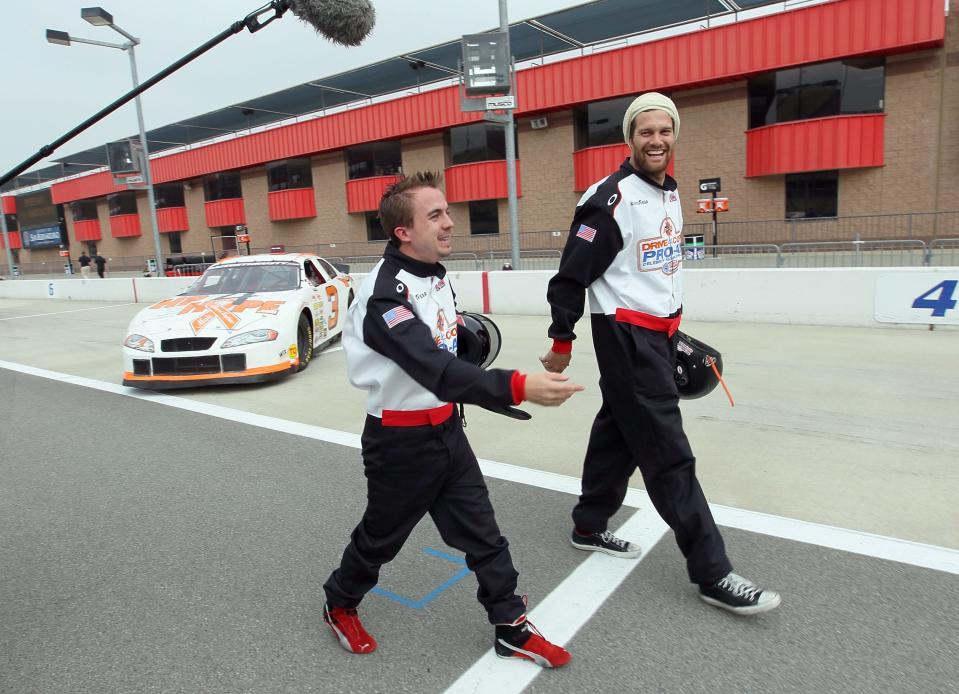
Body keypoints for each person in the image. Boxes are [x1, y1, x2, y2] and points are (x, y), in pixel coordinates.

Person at [323, 171, 582, 667]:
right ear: (403, 231)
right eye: (435, 215)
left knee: (484, 533)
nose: (449, 222)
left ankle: (510, 625)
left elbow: (452, 354)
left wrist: (481, 387)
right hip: (398, 445)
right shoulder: (384, 296)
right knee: (380, 539)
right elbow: (432, 366)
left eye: (446, 211)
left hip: (446, 430)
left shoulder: (436, 274)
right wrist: (517, 384)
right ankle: (340, 602)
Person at [540, 93, 781, 615]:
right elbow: (570, 276)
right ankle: (713, 574)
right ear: (630, 138)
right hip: (626, 337)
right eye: (645, 132)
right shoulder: (610, 199)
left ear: (675, 136)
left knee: (619, 429)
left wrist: (673, 332)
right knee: (670, 455)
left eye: (664, 131)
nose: (656, 141)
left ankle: (588, 523)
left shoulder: (669, 192)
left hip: (661, 335)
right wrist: (562, 342)